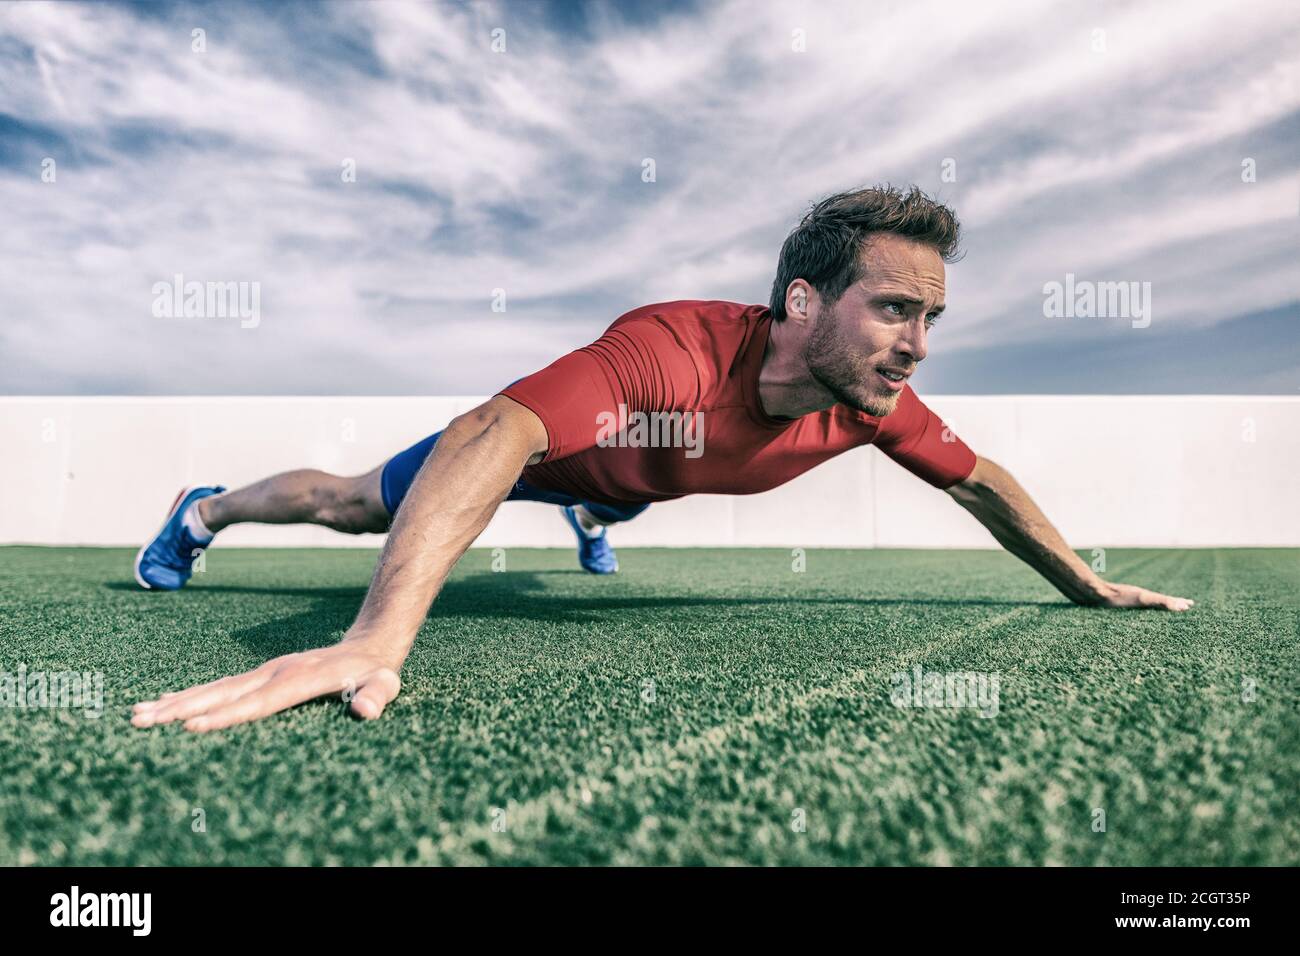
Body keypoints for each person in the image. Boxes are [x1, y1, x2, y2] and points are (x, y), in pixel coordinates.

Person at [131, 185, 1193, 733]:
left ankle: (605, 514)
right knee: (357, 500)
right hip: (560, 456)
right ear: (803, 300)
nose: (917, 344)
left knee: (642, 480)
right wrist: (372, 637)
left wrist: (1084, 581)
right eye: (896, 310)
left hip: (646, 468)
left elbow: (985, 484)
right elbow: (491, 432)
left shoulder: (872, 403)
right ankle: (206, 511)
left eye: (931, 317)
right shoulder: (667, 351)